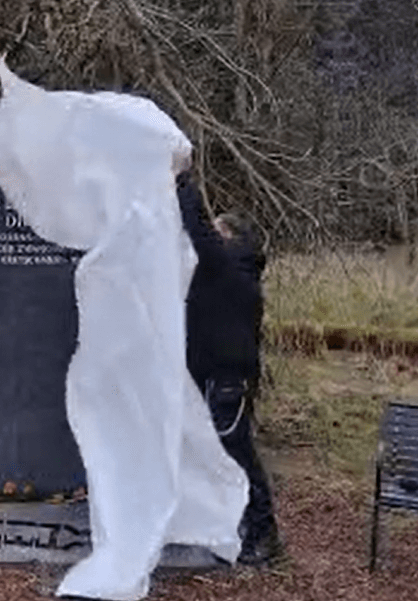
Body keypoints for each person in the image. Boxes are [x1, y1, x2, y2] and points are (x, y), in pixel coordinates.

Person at [177, 171, 283, 565]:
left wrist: (182, 181)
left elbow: (200, 234)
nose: (211, 235)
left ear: (234, 240)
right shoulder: (220, 273)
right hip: (212, 375)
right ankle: (235, 525)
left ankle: (264, 534)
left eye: (220, 231)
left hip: (228, 380)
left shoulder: (232, 271)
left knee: (236, 452)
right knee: (220, 453)